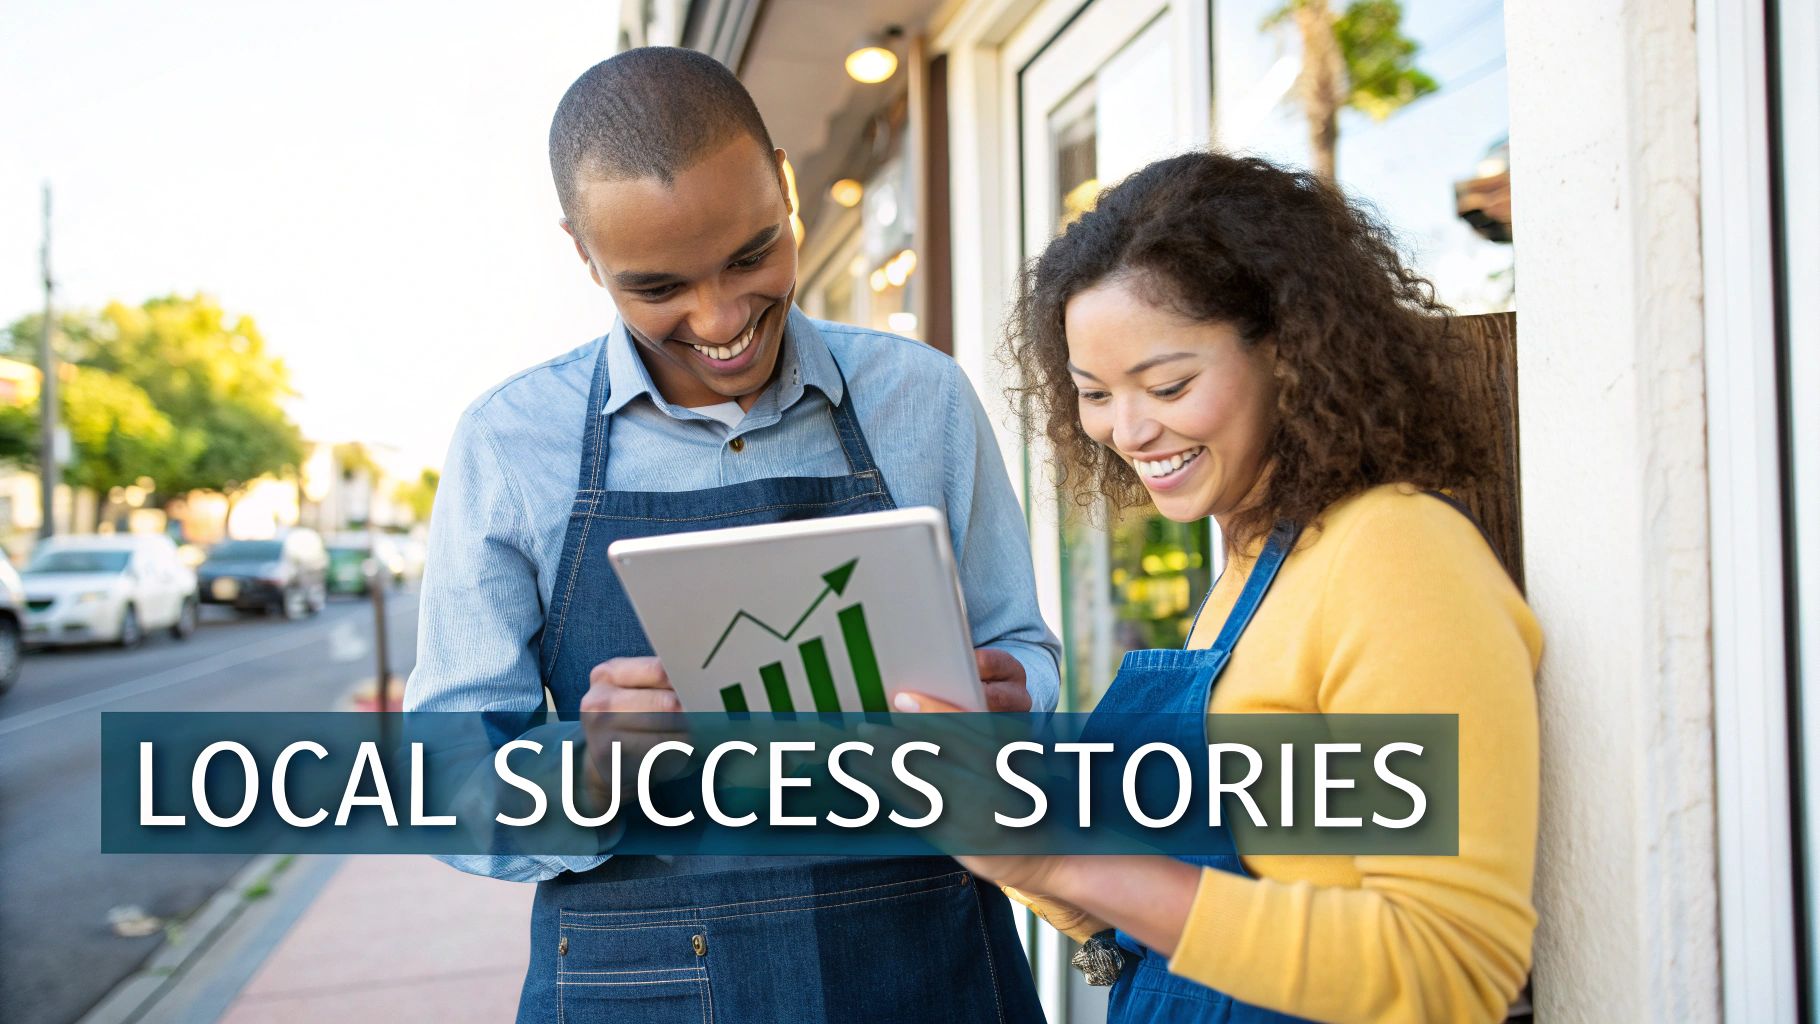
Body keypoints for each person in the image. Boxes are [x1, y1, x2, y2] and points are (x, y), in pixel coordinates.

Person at [405, 47, 1057, 1022]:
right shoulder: (509, 445)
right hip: (643, 981)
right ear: (584, 253)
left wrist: (1014, 711)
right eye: (659, 285)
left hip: (929, 956)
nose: (720, 320)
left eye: (753, 255)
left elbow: (1024, 657)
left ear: (787, 186)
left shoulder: (922, 399)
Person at [901, 152, 1541, 1023]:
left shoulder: (1396, 557)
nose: (1126, 429)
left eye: (1168, 385)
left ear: (1287, 352)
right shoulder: (1243, 573)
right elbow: (1170, 927)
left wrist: (1065, 863)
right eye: (1093, 393)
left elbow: (1451, 966)